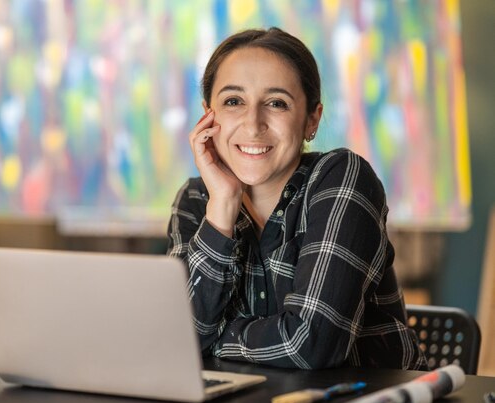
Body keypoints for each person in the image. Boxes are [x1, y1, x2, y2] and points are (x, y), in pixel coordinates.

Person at [167, 27, 428, 370]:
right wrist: (223, 206)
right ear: (208, 115)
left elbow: (310, 343)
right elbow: (174, 342)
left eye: (276, 103)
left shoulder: (343, 177)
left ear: (311, 121)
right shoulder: (196, 199)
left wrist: (209, 339)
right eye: (233, 101)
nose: (253, 123)